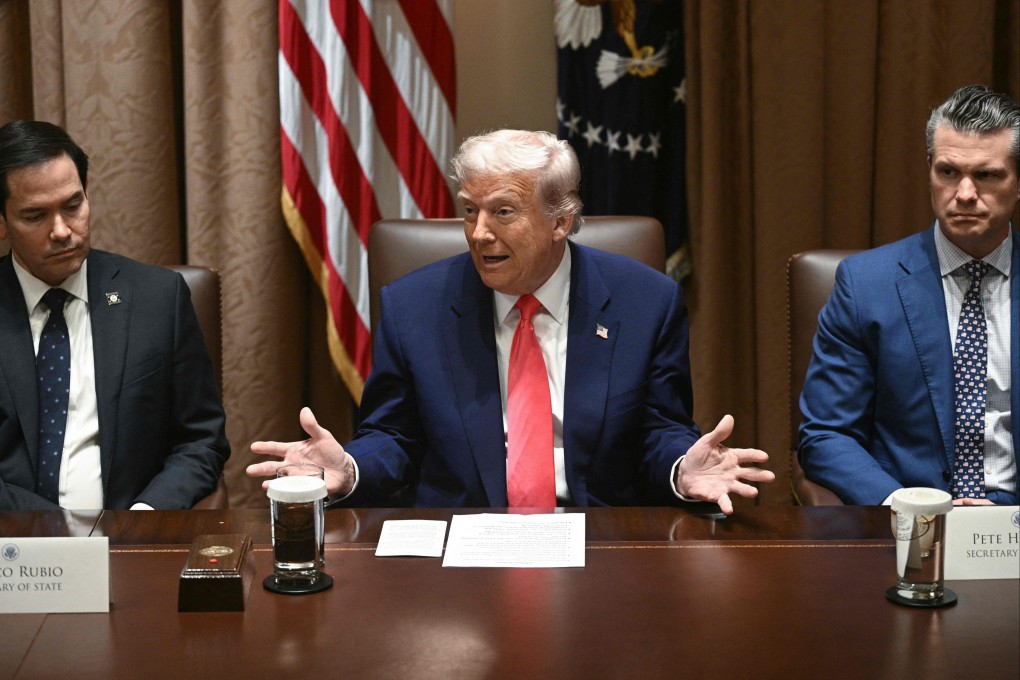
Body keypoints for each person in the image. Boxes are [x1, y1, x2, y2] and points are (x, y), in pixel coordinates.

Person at [249, 129, 773, 513]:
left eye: (503, 212)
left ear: (561, 221)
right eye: (470, 210)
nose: (478, 233)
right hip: (461, 539)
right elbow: (395, 435)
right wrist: (350, 468)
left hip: (597, 539)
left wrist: (683, 470)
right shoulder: (415, 306)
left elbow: (659, 431)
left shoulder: (647, 302)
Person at [799, 85, 1019, 505]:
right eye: (948, 172)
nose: (966, 193)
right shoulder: (865, 285)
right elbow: (826, 434)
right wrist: (909, 509)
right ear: (929, 170)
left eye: (987, 175)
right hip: (905, 521)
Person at [0, 120, 229, 510]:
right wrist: (54, 532)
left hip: (131, 538)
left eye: (73, 206)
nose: (61, 230)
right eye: (35, 216)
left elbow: (201, 440)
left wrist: (144, 518)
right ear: (2, 223)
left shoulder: (158, 299)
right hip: (14, 551)